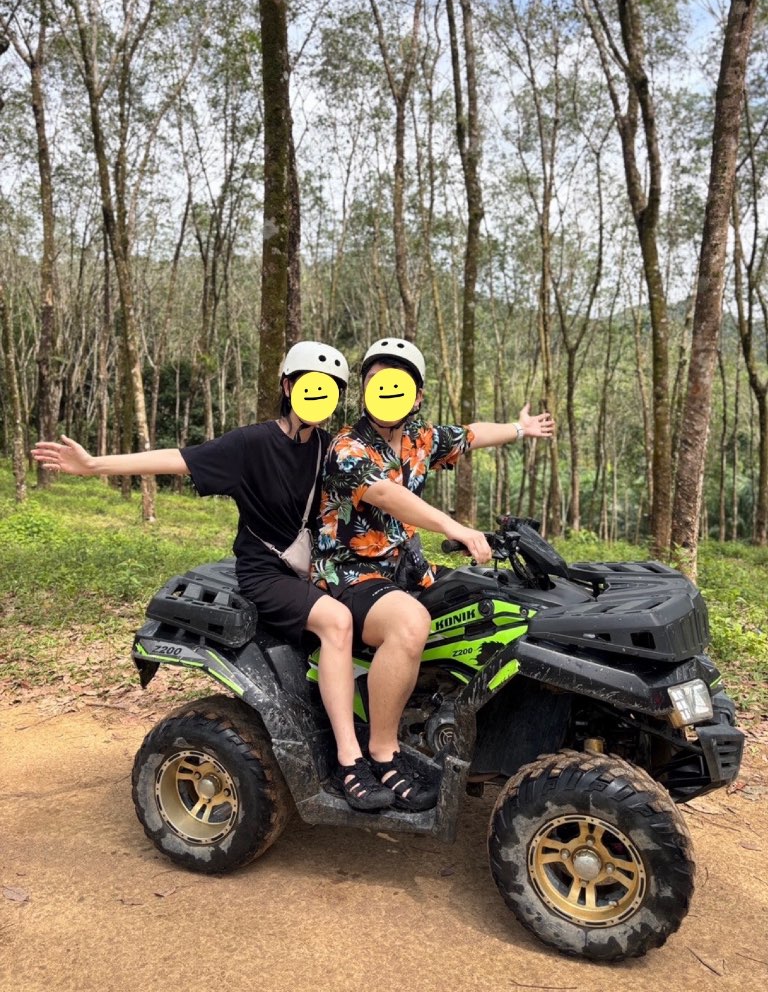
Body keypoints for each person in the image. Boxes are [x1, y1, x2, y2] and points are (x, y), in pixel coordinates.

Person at [32, 341, 395, 812]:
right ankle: (349, 760)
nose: (320, 396)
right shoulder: (250, 444)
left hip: (319, 568)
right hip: (267, 572)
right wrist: (95, 465)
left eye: (331, 389)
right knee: (338, 623)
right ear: (289, 387)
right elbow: (178, 459)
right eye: (311, 385)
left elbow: (393, 472)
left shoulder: (331, 448)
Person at [314, 337, 555, 811]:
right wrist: (453, 526)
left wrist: (519, 428)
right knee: (410, 624)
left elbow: (469, 435)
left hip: (408, 570)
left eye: (397, 383)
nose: (385, 391)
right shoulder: (347, 447)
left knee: (491, 602)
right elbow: (388, 496)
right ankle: (383, 752)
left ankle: (455, 717)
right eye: (375, 381)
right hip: (349, 573)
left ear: (416, 395)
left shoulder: (420, 437)